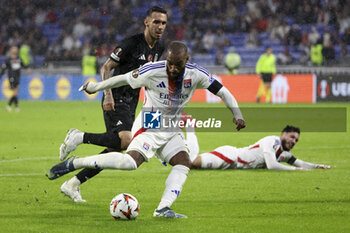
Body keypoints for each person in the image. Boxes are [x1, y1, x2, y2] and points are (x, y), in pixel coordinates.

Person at [47, 41, 246, 218]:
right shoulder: (153, 70)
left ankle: (163, 209)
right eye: (170, 63)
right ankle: (75, 163)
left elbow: (222, 91)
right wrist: (97, 87)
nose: (173, 68)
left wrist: (237, 114)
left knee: (184, 162)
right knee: (131, 163)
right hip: (151, 122)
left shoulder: (197, 74)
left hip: (170, 127)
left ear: (187, 59)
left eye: (178, 64)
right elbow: (122, 78)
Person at [57, 6, 168, 203]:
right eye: (156, 22)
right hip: (116, 96)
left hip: (132, 100)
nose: (160, 26)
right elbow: (106, 67)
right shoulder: (131, 44)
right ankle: (79, 137)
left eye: (163, 23)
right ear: (147, 22)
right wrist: (106, 94)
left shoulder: (159, 49)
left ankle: (73, 184)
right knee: (125, 141)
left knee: (114, 149)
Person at [189, 125, 331, 170]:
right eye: (292, 137)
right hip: (230, 156)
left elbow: (300, 163)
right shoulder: (271, 141)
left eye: (296, 140)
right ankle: (189, 128)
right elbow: (271, 165)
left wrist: (316, 166)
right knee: (190, 162)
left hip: (232, 164)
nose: (294, 141)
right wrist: (296, 170)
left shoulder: (285, 154)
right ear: (283, 134)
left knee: (190, 163)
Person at [0, 46, 28, 112]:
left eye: (16, 49)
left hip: (17, 77)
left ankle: (10, 106)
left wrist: (28, 67)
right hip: (11, 77)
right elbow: (3, 69)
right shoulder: (8, 60)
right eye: (14, 49)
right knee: (15, 92)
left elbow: (23, 65)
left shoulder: (19, 59)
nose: (15, 50)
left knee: (15, 92)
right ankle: (16, 106)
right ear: (11, 51)